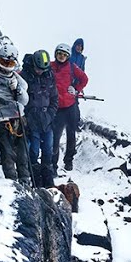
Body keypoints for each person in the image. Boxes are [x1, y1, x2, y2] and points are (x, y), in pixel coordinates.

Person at [0, 43, 31, 185]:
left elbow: (25, 100)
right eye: (4, 61)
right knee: (7, 152)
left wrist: (18, 90)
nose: (6, 66)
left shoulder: (17, 79)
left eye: (10, 63)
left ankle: (25, 179)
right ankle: (11, 181)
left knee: (23, 152)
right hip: (1, 118)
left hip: (18, 118)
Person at [49, 41, 88, 173]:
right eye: (59, 54)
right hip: (56, 107)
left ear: (68, 56)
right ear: (55, 54)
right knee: (55, 137)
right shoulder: (50, 66)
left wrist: (76, 89)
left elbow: (84, 78)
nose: (61, 56)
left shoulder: (72, 67)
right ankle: (53, 165)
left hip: (70, 106)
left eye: (64, 55)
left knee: (71, 134)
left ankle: (68, 161)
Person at [21, 50, 58, 187]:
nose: (40, 72)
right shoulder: (24, 76)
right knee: (34, 151)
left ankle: (48, 181)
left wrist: (50, 114)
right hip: (31, 119)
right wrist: (26, 118)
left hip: (47, 119)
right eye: (38, 69)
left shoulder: (49, 75)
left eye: (43, 69)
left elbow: (54, 98)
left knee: (48, 149)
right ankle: (36, 181)